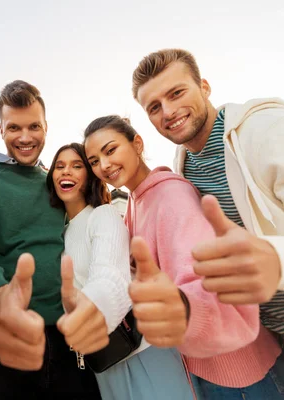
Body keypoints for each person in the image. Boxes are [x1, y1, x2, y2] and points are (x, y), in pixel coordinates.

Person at [131, 48, 284, 399]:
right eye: (154, 107)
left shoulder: (273, 132)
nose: (168, 111)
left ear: (204, 86)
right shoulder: (185, 166)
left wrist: (280, 262)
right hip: (267, 344)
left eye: (176, 93)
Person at [84, 115, 284, 399]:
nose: (104, 165)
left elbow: (208, 282)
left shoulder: (171, 195)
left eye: (110, 150)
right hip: (201, 366)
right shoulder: (136, 202)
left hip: (240, 373)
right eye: (94, 160)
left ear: (137, 144)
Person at [0, 81, 101, 399]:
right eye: (13, 127)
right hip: (1, 334)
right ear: (0, 129)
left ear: (46, 126)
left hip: (67, 338)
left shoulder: (59, 180)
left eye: (34, 126)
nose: (25, 137)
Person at [45, 142, 190, 399]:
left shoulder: (103, 215)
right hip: (103, 358)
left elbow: (110, 275)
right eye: (60, 166)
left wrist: (92, 307)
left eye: (77, 166)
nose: (66, 172)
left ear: (90, 175)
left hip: (143, 347)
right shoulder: (62, 233)